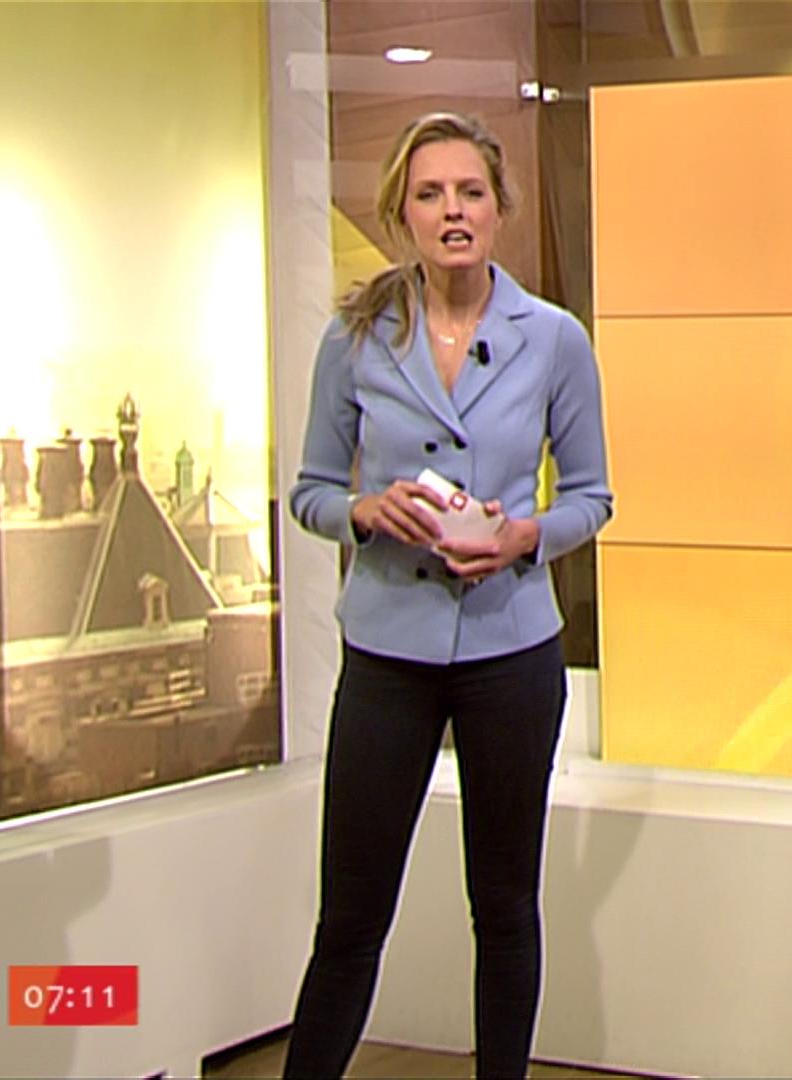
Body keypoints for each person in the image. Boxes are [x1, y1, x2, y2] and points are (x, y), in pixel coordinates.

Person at [283, 110, 612, 1079]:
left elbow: (592, 496)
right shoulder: (353, 339)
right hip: (387, 655)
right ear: (403, 214)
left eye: (470, 192)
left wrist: (523, 537)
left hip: (511, 653)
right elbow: (309, 491)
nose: (452, 211)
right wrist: (363, 511)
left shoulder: (552, 340)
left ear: (500, 209)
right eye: (430, 194)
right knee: (351, 917)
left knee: (505, 908)